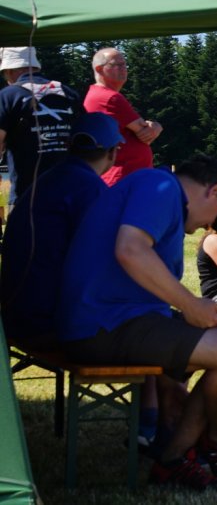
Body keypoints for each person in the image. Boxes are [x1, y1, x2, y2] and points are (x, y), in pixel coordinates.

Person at [56, 155, 217, 490]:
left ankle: (176, 457)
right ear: (214, 191)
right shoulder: (161, 187)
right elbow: (130, 250)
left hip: (114, 319)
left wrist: (189, 311)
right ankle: (216, 441)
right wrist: (190, 304)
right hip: (101, 323)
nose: (209, 226)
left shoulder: (159, 187)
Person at [0, 112, 122, 347]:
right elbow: (106, 260)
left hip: (15, 314)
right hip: (48, 322)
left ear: (69, 146)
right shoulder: (90, 188)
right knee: (155, 330)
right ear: (113, 152)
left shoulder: (49, 179)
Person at [0, 46, 79, 207]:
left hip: (28, 197)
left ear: (9, 71)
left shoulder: (8, 95)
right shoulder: (68, 92)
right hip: (71, 194)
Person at [83, 47, 162, 185]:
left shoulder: (97, 94)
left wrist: (154, 126)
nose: (124, 68)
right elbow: (147, 136)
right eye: (117, 65)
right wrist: (157, 127)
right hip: (123, 179)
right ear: (99, 69)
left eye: (124, 64)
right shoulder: (110, 98)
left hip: (122, 178)